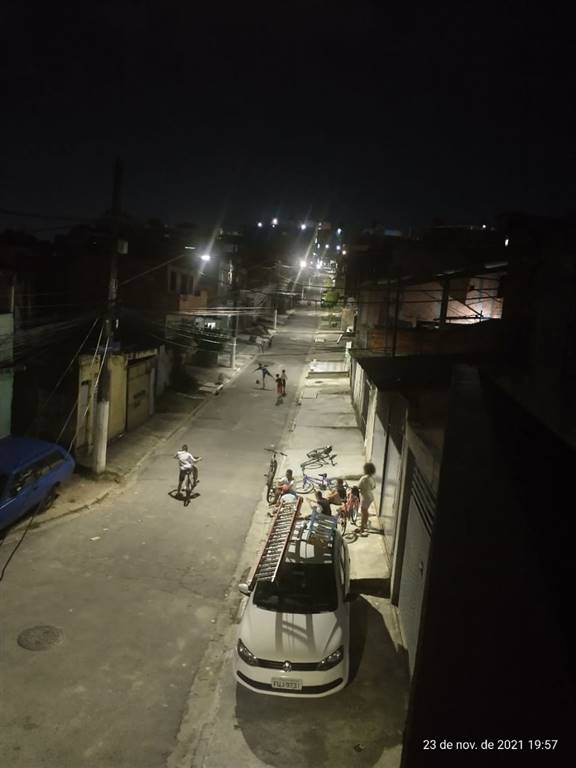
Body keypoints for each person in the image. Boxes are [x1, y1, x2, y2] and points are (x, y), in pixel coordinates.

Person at [358, 462, 376, 535]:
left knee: (364, 512)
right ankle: (364, 524)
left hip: (365, 497)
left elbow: (359, 486)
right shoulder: (371, 478)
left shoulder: (364, 478)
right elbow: (373, 487)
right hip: (370, 496)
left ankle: (362, 527)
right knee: (365, 511)